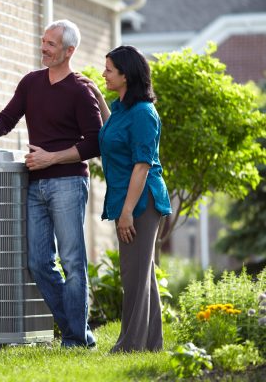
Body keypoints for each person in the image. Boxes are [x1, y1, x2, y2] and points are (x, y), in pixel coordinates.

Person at [0, 19, 102, 348]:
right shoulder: (31, 83)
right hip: (35, 184)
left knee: (71, 261)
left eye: (51, 44)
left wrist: (51, 158)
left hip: (68, 182)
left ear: (69, 51)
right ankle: (76, 332)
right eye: (43, 41)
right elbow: (5, 120)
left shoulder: (80, 90)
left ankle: (75, 340)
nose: (44, 47)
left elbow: (95, 143)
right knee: (38, 261)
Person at [81, 45, 172, 352]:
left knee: (133, 276)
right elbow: (111, 131)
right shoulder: (121, 108)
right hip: (126, 198)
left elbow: (143, 165)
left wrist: (128, 212)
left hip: (141, 201)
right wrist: (95, 94)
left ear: (126, 75)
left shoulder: (144, 114)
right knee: (142, 275)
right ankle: (151, 343)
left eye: (109, 70)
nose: (104, 73)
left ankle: (129, 345)